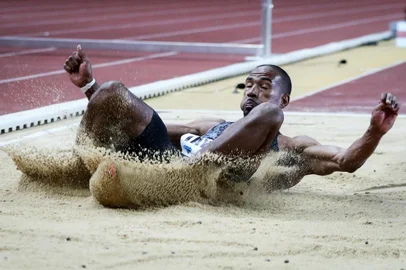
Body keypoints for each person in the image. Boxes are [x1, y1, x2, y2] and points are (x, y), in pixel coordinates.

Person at [63, 45, 400, 191]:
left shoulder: (292, 147)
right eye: (248, 84)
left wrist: (374, 132)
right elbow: (147, 129)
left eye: (264, 86)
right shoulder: (211, 126)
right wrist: (91, 91)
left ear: (284, 98)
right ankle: (79, 165)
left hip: (210, 182)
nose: (252, 91)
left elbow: (345, 161)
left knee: (270, 116)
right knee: (111, 90)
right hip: (165, 165)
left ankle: (187, 174)